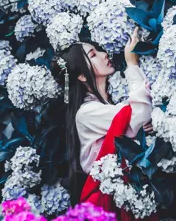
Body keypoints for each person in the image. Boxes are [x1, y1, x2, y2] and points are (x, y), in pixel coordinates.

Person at [54, 27, 154, 215]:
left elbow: (136, 118)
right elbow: (139, 115)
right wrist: (132, 65)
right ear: (82, 76)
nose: (103, 54)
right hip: (114, 204)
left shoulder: (111, 101)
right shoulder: (87, 113)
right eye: (93, 54)